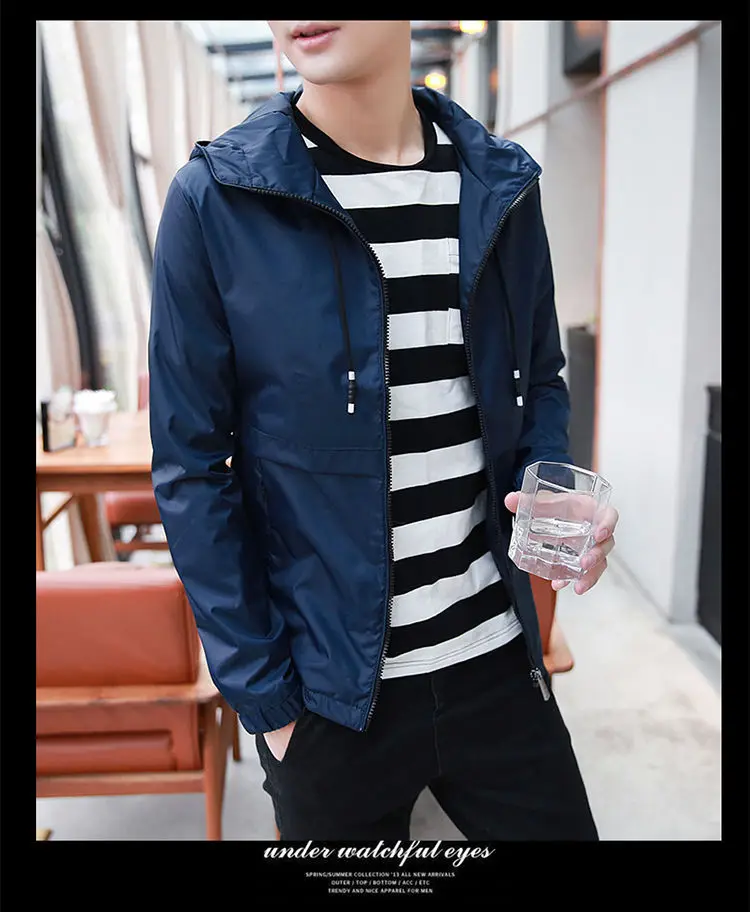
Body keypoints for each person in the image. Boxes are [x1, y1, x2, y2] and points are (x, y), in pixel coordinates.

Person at [148, 20, 619, 841]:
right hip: (329, 701)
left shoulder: (500, 184)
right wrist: (268, 700)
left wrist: (552, 492)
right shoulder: (217, 200)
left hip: (496, 662)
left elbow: (538, 380)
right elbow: (192, 467)